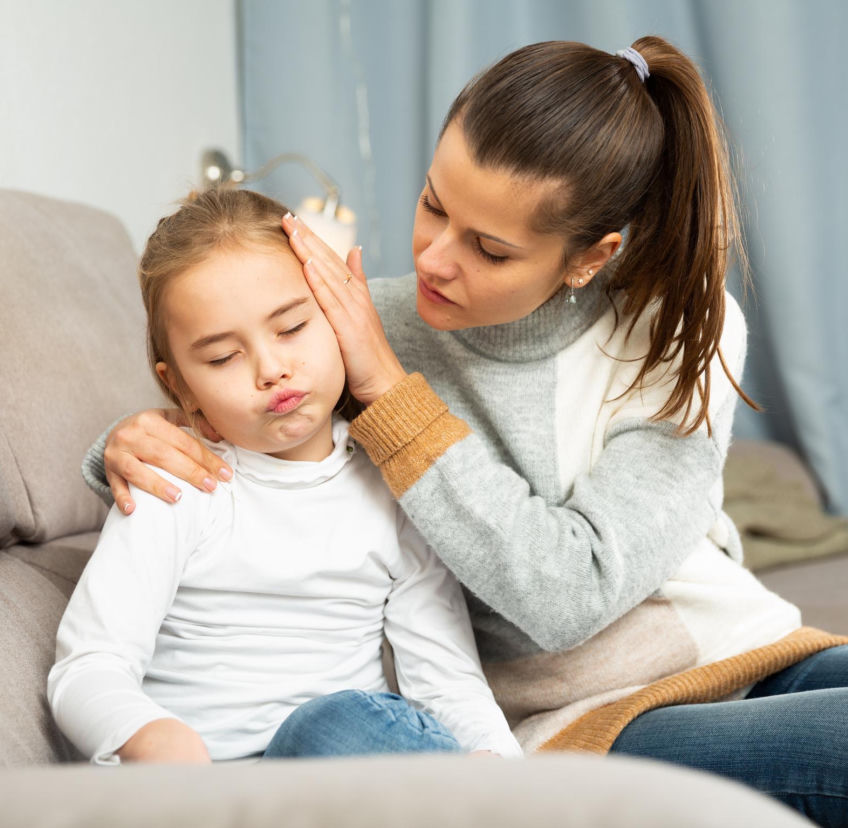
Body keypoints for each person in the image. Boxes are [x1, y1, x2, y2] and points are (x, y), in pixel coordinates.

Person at [83, 37, 848, 825]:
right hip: (578, 713)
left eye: (491, 248)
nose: (434, 259)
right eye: (435, 204)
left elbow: (573, 586)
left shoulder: (680, 328)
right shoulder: (353, 328)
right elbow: (249, 421)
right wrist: (125, 441)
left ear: (590, 257)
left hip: (735, 648)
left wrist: (388, 386)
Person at [50, 188, 521, 765]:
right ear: (179, 387)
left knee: (350, 722)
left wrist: (501, 765)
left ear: (341, 317)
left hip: (348, 772)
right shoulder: (177, 486)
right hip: (215, 789)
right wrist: (152, 737)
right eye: (223, 358)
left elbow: (445, 679)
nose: (271, 369)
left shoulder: (394, 487)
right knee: (339, 723)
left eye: (292, 327)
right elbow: (87, 666)